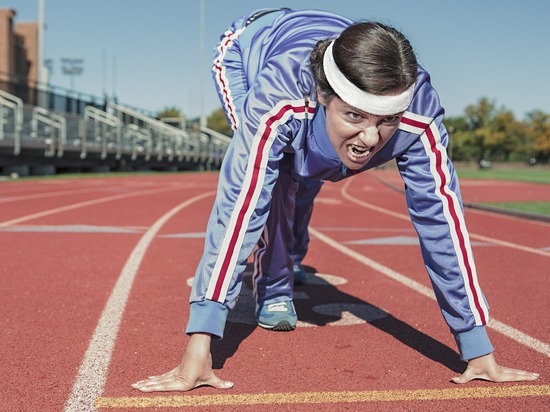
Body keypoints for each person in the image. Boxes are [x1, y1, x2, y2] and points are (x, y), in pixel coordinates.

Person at [132, 8, 539, 392]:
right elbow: (240, 206)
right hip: (249, 47)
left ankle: (292, 253)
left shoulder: (419, 115)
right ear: (326, 96)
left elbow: (443, 224)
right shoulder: (279, 96)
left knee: (312, 170)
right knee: (275, 178)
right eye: (355, 117)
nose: (370, 139)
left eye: (387, 122)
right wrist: (200, 345)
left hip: (329, 46)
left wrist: (477, 347)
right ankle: (274, 286)